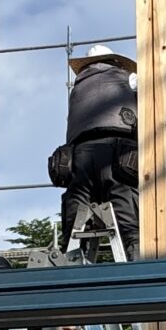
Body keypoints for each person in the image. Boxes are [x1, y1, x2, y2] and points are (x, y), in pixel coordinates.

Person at [51, 42, 140, 255]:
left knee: (75, 230)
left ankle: (73, 262)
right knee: (129, 225)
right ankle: (138, 263)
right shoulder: (128, 79)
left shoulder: (77, 87)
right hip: (117, 155)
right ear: (114, 62)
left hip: (79, 158)